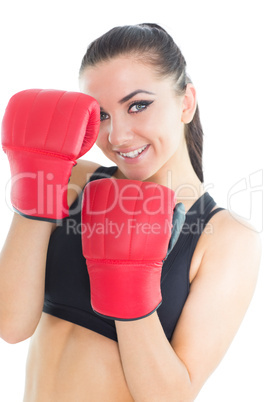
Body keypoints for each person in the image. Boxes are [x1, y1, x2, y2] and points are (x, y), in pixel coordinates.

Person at [0, 23, 261, 401]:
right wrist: (33, 192)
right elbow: (10, 325)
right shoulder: (74, 178)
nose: (118, 136)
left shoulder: (225, 238)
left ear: (186, 103)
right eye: (102, 116)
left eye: (138, 105)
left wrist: (129, 292)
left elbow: (170, 397)